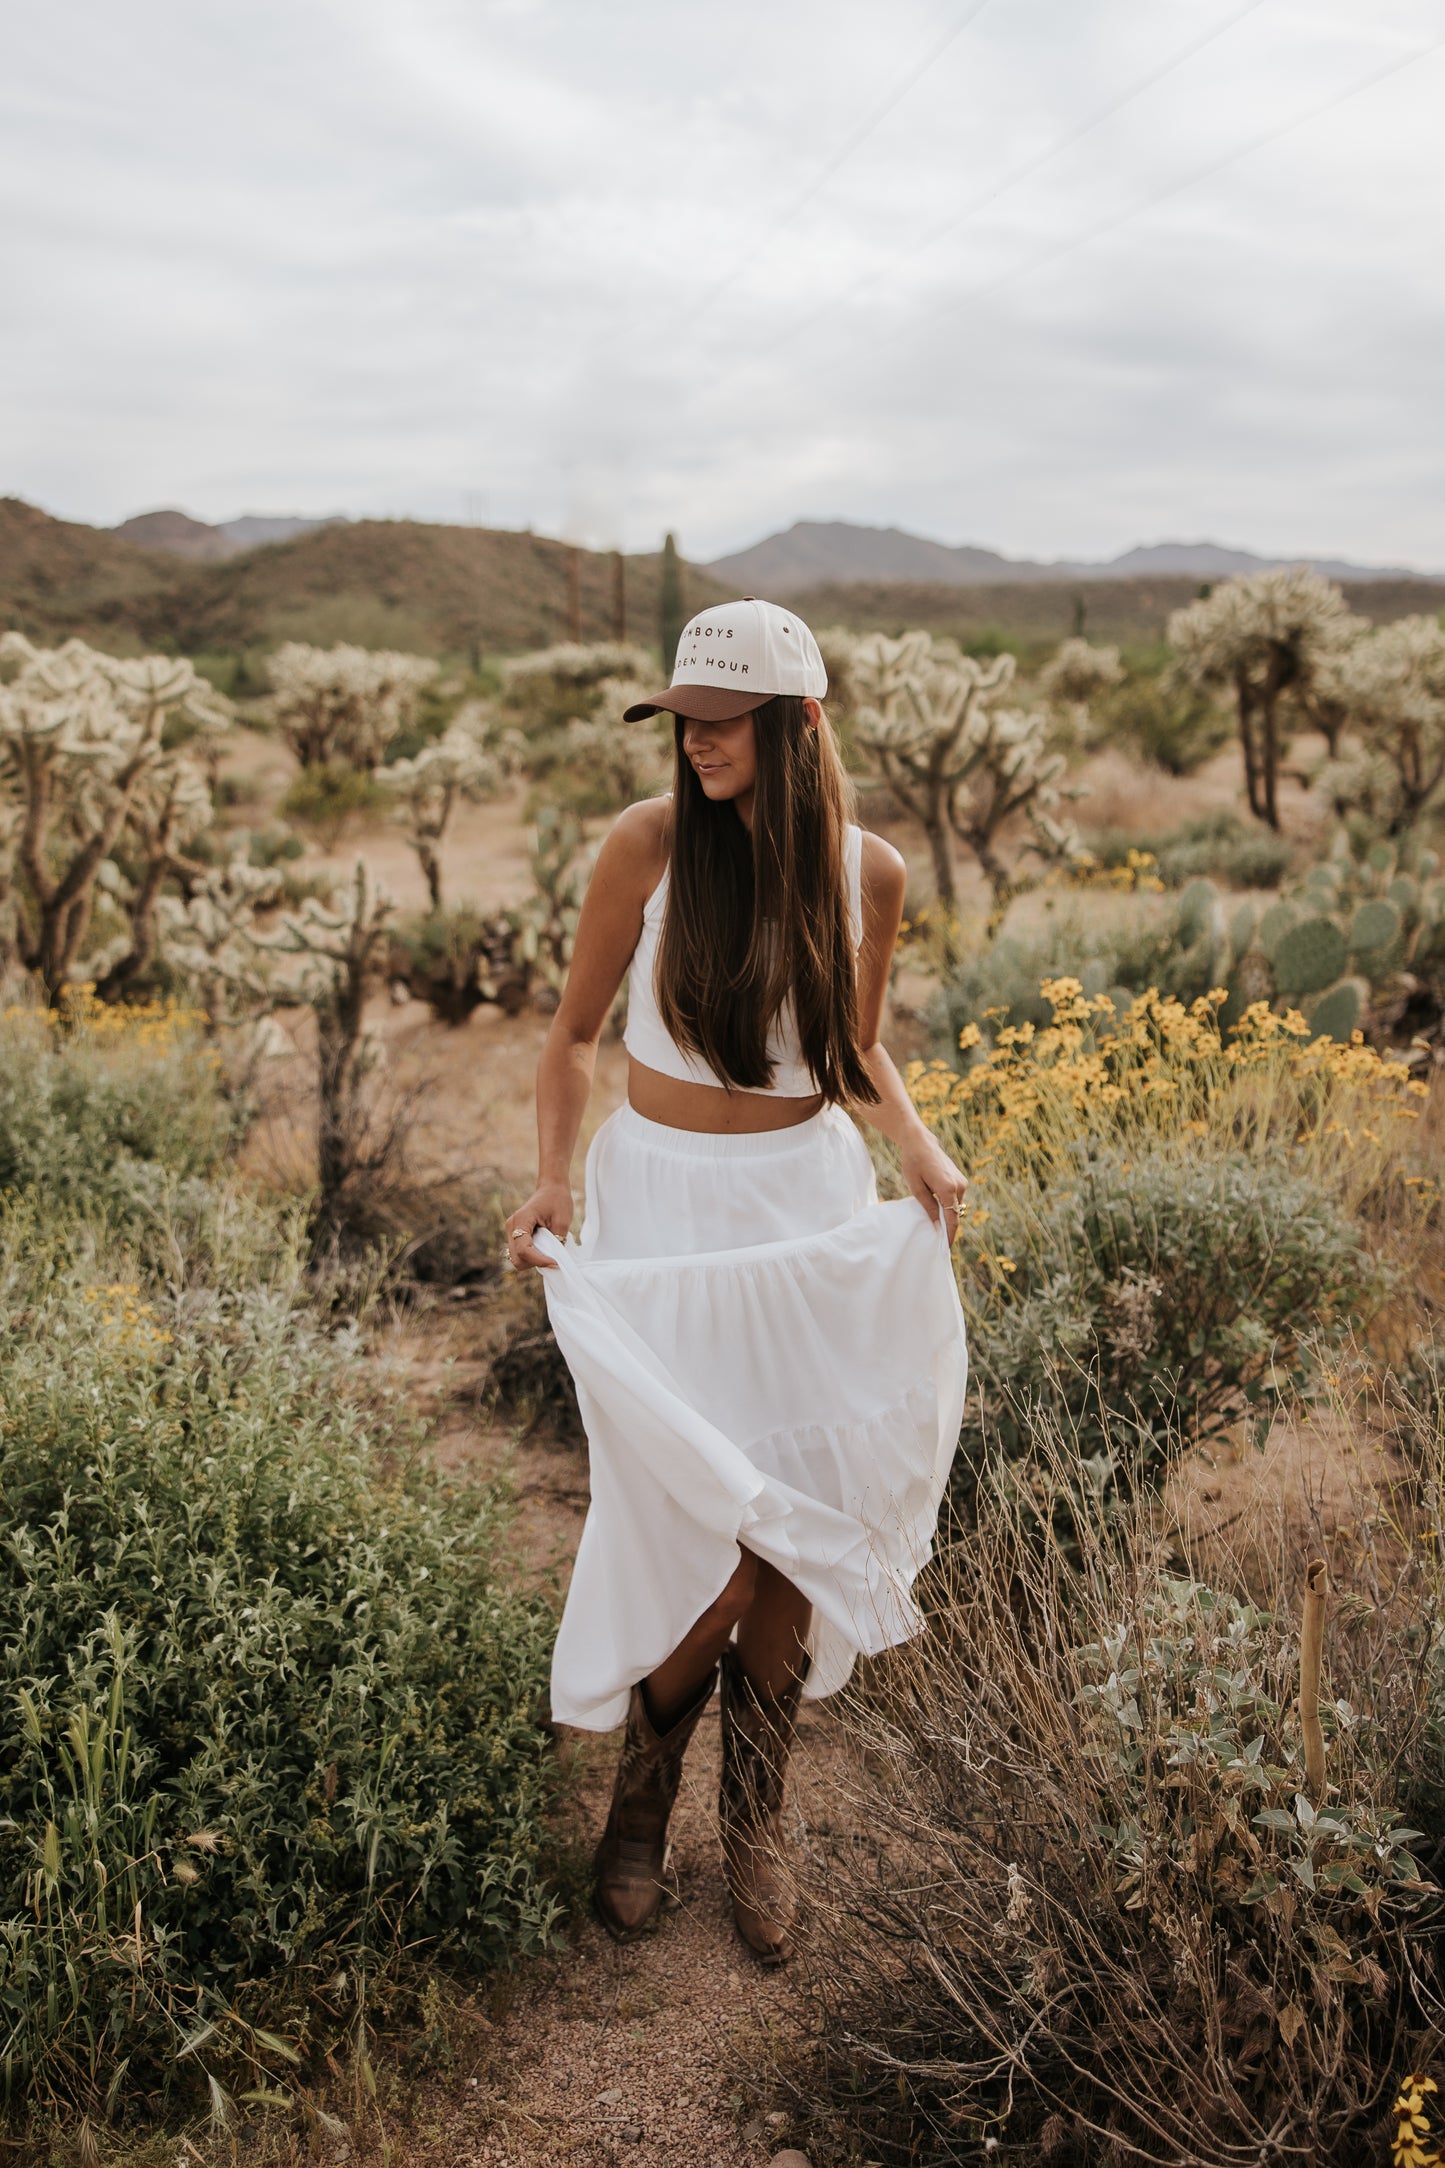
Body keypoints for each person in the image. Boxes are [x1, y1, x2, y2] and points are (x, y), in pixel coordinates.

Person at [505, 597, 969, 1964]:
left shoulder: (866, 871)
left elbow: (850, 1046)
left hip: (803, 1214)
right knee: (686, 1527)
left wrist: (918, 1146)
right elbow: (570, 1036)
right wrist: (554, 1179)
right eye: (681, 722)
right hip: (661, 1217)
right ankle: (639, 1812)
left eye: (719, 724)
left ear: (797, 721)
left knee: (786, 1543)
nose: (693, 745)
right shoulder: (645, 849)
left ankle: (755, 1821)